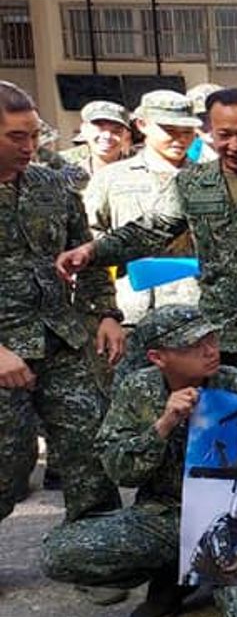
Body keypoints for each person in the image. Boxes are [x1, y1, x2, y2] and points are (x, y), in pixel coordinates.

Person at [40, 303, 237, 617]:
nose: (210, 350)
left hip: (236, 521)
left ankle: (232, 575)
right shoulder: (138, 390)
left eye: (211, 338)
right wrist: (163, 425)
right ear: (157, 357)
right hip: (168, 515)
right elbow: (119, 470)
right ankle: (173, 571)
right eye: (193, 346)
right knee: (60, 553)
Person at [57, 88, 237, 389]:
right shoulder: (191, 184)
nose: (234, 145)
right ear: (210, 132)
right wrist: (92, 251)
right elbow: (150, 229)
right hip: (212, 341)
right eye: (224, 135)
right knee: (213, 414)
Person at [0, 81, 124, 539]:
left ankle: (94, 550)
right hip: (5, 348)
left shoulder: (52, 185)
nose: (29, 147)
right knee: (8, 463)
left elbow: (85, 254)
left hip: (60, 339)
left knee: (89, 445)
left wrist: (106, 313)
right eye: (16, 137)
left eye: (34, 135)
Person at [82, 89, 204, 324]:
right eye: (169, 130)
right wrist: (103, 312)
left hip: (194, 309)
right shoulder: (111, 178)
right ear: (142, 125)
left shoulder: (207, 178)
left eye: (187, 132)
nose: (180, 139)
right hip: (130, 309)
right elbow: (90, 244)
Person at [60, 99, 135, 183]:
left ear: (126, 134)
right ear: (84, 129)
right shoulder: (65, 167)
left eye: (116, 131)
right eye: (100, 128)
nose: (107, 136)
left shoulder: (139, 168)